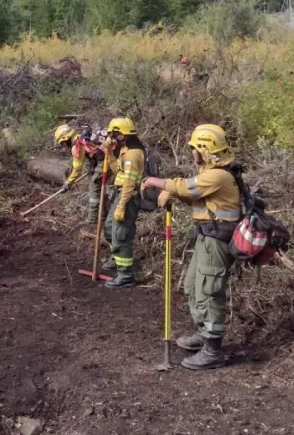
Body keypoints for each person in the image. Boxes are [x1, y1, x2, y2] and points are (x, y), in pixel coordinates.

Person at [143, 124, 241, 370]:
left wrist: (155, 182)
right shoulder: (210, 173)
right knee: (192, 287)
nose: (192, 152)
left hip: (216, 242)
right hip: (205, 239)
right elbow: (194, 195)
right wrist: (174, 194)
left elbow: (186, 187)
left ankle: (213, 350)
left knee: (209, 291)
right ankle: (203, 333)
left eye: (195, 148)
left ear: (206, 149)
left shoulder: (218, 175)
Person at [103, 117, 145, 289]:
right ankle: (117, 257)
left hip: (128, 197)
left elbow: (129, 182)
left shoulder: (134, 153)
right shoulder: (124, 150)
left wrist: (121, 205)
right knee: (109, 227)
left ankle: (126, 275)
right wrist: (109, 155)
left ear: (125, 134)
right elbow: (118, 173)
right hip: (119, 194)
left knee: (121, 234)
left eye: (116, 135)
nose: (113, 139)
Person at [54, 123, 107, 223]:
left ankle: (93, 219)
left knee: (94, 187)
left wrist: (68, 183)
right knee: (103, 189)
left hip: (105, 162)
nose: (64, 145)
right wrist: (93, 166)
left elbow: (77, 169)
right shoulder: (81, 137)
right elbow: (94, 151)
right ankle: (105, 213)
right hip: (107, 160)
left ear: (66, 138)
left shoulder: (76, 146)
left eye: (63, 143)